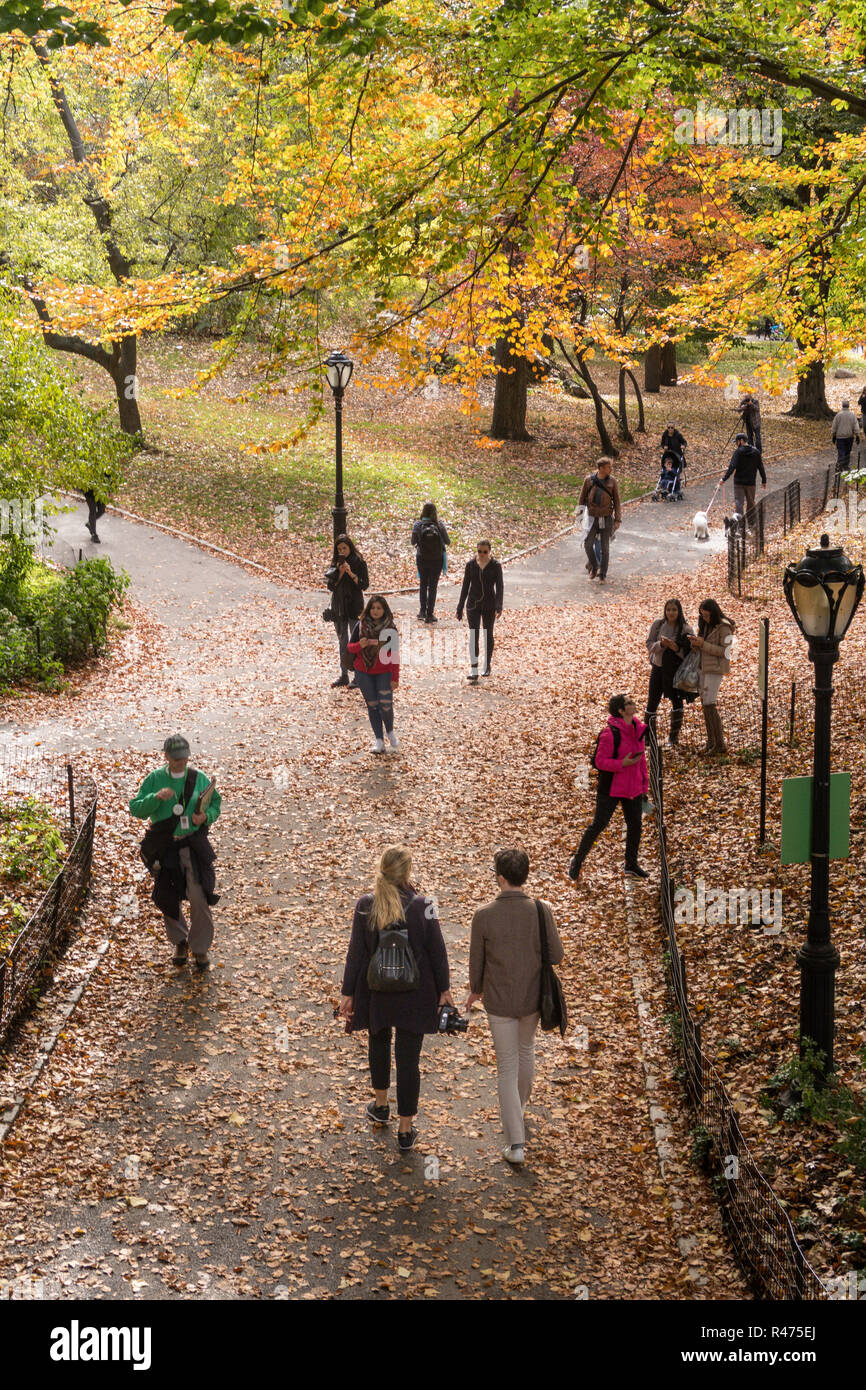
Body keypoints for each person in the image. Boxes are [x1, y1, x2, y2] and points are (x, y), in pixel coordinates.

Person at [338, 845, 453, 1152]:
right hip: (415, 994)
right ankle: (405, 1130)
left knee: (378, 1045)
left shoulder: (366, 905)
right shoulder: (424, 905)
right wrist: (444, 988)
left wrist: (347, 992)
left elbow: (356, 953)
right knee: (408, 1060)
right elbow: (438, 953)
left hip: (376, 992)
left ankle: (380, 1106)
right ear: (407, 873)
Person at [466, 848, 564, 1167]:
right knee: (527, 1051)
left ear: (501, 877)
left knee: (506, 1066)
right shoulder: (541, 909)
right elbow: (557, 955)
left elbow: (476, 964)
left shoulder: (484, 915)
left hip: (499, 1001)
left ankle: (516, 1143)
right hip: (532, 997)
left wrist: (474, 993)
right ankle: (518, 1111)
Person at [129, 735, 222, 969]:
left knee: (199, 896)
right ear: (167, 756)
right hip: (166, 847)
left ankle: (200, 948)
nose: (181, 762)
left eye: (184, 758)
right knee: (168, 896)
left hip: (193, 845)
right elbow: (136, 808)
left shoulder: (198, 778)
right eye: (176, 758)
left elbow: (214, 805)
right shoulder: (155, 779)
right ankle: (180, 942)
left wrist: (205, 817)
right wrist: (155, 797)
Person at [568, 694, 649, 884]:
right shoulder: (609, 733)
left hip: (633, 787)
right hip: (611, 788)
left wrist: (644, 785)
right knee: (598, 825)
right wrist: (622, 763)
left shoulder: (638, 729)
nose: (633, 704)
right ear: (621, 710)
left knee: (635, 826)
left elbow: (642, 760)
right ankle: (577, 861)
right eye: (629, 703)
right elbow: (599, 761)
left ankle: (631, 864)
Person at [347, 594, 400, 753]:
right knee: (372, 705)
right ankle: (379, 740)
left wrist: (395, 677)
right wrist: (359, 645)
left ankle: (390, 732)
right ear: (368, 609)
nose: (375, 611)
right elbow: (350, 648)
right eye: (373, 608)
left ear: (384, 610)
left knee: (386, 704)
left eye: (379, 608)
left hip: (384, 671)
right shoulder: (360, 625)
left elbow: (395, 654)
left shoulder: (390, 628)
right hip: (363, 672)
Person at [645, 599, 695, 749]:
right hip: (658, 668)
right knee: (652, 701)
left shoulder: (686, 629)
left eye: (674, 610)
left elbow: (691, 653)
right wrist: (661, 644)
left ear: (679, 611)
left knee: (676, 701)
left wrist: (675, 648)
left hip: (676, 672)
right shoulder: (658, 625)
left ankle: (673, 737)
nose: (671, 613)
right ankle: (648, 738)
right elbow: (649, 645)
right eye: (668, 610)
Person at [689, 599, 735, 756]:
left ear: (713, 613)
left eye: (707, 616)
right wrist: (696, 644)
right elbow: (703, 645)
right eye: (703, 616)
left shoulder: (724, 626)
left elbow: (726, 651)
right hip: (704, 667)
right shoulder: (705, 624)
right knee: (705, 705)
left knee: (710, 704)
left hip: (715, 669)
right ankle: (711, 740)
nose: (705, 619)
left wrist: (703, 644)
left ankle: (719, 743)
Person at [456, 540, 503, 682]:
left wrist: (499, 606)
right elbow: (465, 586)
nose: (482, 554)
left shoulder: (496, 566)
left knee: (488, 634)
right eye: (479, 551)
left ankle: (487, 665)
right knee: (473, 635)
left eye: (485, 552)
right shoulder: (470, 565)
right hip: (473, 605)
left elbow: (500, 587)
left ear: (489, 552)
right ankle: (474, 668)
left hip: (489, 604)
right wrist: (460, 607)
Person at [326, 534, 369, 688]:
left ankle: (358, 676)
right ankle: (344, 674)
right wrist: (340, 573)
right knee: (342, 641)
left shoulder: (359, 562)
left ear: (350, 546)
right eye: (339, 549)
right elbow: (330, 586)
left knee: (356, 642)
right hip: (339, 607)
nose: (342, 551)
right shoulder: (335, 563)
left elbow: (364, 585)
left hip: (354, 606)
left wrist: (350, 573)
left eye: (344, 548)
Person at [578, 457, 622, 582]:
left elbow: (617, 502)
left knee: (604, 548)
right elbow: (581, 498)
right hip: (592, 518)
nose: (611, 469)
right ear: (601, 468)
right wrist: (579, 515)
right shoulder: (589, 480)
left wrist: (618, 519)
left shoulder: (612, 481)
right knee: (587, 544)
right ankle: (594, 566)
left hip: (606, 518)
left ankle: (603, 573)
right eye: (609, 467)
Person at [411, 502, 450, 624]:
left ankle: (422, 611)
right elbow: (448, 541)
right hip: (437, 559)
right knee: (432, 586)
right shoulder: (439, 524)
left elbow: (413, 542)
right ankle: (430, 614)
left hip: (422, 558)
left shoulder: (418, 524)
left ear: (423, 511)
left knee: (423, 584)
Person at [721, 433, 767, 523]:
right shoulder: (756, 452)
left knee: (739, 503)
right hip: (751, 483)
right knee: (751, 503)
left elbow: (732, 466)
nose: (736, 444)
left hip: (739, 482)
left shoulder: (738, 452)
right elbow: (761, 467)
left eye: (737, 442)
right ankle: (751, 523)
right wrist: (764, 480)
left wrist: (724, 479)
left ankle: (739, 524)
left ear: (741, 441)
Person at [831, 400, 861, 468]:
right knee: (848, 452)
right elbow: (856, 426)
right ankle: (845, 465)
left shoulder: (838, 415)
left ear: (842, 406)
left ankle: (840, 465)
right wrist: (857, 435)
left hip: (840, 437)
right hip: (849, 437)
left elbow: (834, 426)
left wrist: (833, 435)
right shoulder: (852, 415)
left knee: (841, 451)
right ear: (848, 406)